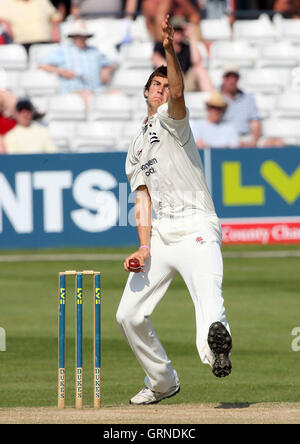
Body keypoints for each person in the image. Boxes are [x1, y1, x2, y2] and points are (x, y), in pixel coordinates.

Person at [116, 15, 232, 406]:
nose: (165, 91)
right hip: (162, 235)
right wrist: (144, 247)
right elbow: (142, 199)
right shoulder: (135, 148)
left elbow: (180, 94)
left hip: (197, 223)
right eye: (158, 85)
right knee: (128, 316)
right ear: (146, 93)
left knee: (208, 296)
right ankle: (163, 381)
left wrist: (169, 48)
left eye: (168, 86)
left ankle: (217, 348)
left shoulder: (172, 120)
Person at [38, 20, 117, 108]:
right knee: (87, 95)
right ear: (73, 37)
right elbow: (42, 65)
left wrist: (106, 70)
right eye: (79, 36)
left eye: (83, 36)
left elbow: (111, 63)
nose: (81, 39)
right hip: (74, 89)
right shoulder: (63, 50)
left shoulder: (94, 51)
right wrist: (61, 71)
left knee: (117, 95)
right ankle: (91, 119)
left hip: (97, 88)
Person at [152, 16, 206, 92]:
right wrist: (177, 72)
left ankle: (213, 99)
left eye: (181, 30)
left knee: (200, 70)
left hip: (185, 83)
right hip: (168, 83)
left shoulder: (187, 47)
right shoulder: (161, 46)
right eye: (176, 30)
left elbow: (197, 62)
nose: (179, 33)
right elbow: (156, 59)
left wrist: (192, 37)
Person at [220, 64, 261, 147]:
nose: (231, 80)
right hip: (224, 139)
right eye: (228, 77)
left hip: (246, 137)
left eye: (234, 77)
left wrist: (254, 141)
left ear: (238, 78)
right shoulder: (217, 98)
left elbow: (255, 123)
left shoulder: (248, 98)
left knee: (276, 143)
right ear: (223, 79)